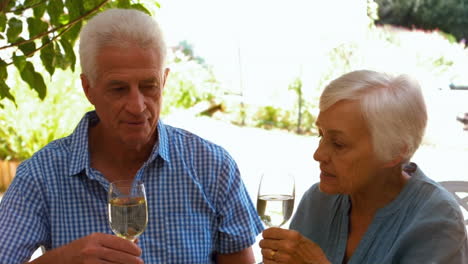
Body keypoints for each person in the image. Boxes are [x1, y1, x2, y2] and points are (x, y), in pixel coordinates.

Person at [0, 8, 263, 264]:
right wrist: (60, 261)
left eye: (149, 86)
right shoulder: (42, 175)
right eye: (118, 88)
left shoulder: (212, 166)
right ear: (88, 88)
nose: (137, 106)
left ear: (165, 80)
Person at [259, 70, 468, 263]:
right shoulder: (318, 201)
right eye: (320, 135)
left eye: (339, 144)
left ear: (395, 151)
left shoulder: (437, 221)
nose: (318, 155)